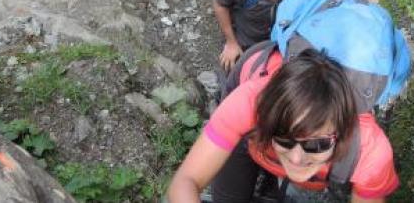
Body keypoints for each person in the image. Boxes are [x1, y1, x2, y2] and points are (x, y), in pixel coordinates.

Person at [167, 49, 400, 202]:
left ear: (340, 133)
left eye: (317, 144)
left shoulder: (370, 152)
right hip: (251, 127)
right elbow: (186, 182)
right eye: (285, 139)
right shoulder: (247, 105)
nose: (297, 158)